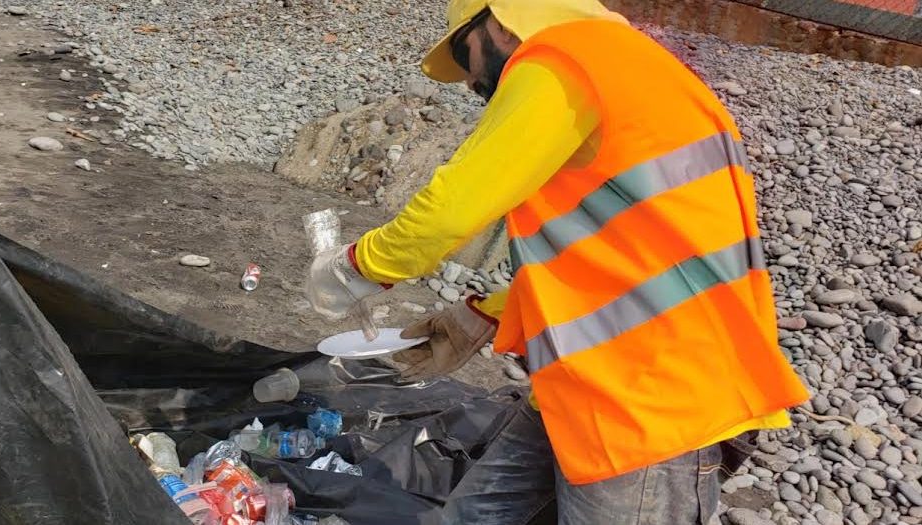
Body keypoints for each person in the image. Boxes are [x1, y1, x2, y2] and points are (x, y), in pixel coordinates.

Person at [305, 0, 810, 523]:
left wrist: (356, 267)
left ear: (500, 22)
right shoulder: (629, 68)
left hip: (650, 403)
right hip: (598, 388)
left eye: (462, 51)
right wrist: (484, 315)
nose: (471, 81)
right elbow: (622, 258)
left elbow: (450, 212)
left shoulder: (564, 61)